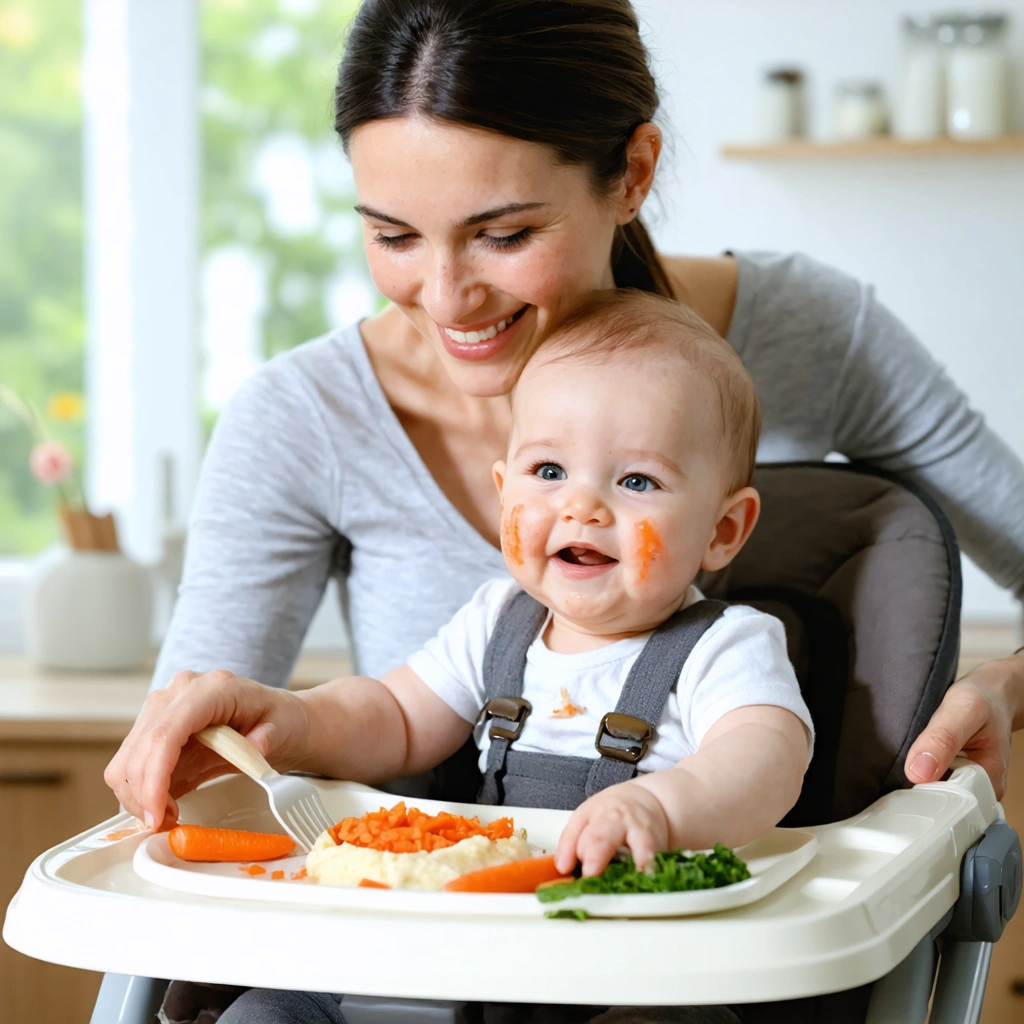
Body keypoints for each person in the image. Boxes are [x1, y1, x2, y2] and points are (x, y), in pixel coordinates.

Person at [108, 0, 1024, 1017]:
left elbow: (760, 751)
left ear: (632, 171)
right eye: (394, 234)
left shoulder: (809, 355)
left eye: (502, 234)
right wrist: (272, 720)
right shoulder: (327, 444)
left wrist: (1011, 682)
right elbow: (374, 716)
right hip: (425, 957)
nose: (447, 296)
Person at [109, 291, 813, 1024]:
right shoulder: (495, 622)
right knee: (278, 1002)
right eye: (548, 472)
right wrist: (290, 722)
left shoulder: (724, 645)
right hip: (461, 949)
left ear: (724, 530)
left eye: (636, 481)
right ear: (502, 487)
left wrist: (658, 809)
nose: (582, 508)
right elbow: (393, 718)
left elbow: (767, 759)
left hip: (631, 967)